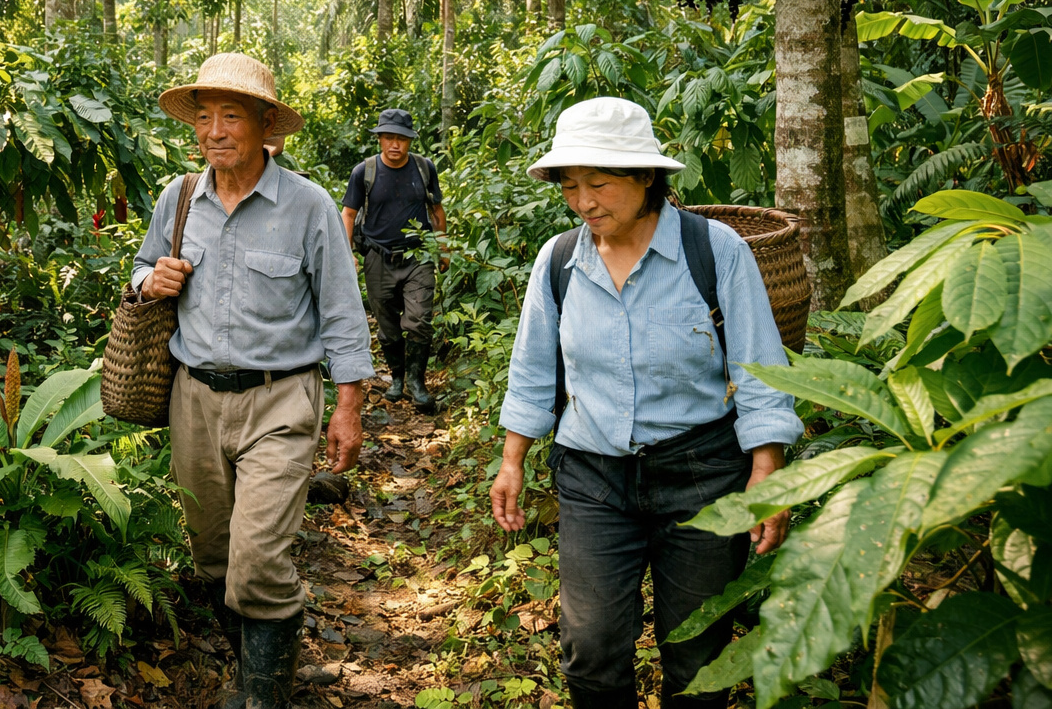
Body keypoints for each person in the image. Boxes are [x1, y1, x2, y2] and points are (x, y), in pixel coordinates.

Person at [488, 97, 804, 709]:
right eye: (571, 186)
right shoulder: (559, 261)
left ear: (646, 178)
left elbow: (760, 368)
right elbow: (532, 369)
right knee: (593, 645)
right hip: (593, 478)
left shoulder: (716, 251)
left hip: (702, 476)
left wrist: (767, 469)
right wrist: (512, 459)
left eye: (599, 184)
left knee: (697, 651)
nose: (584, 202)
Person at [133, 53, 373, 709]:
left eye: (230, 116)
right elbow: (140, 265)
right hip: (194, 400)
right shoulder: (178, 198)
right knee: (213, 557)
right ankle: (261, 667)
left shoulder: (310, 207)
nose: (213, 131)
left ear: (266, 125)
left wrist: (348, 409)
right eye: (204, 117)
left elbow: (344, 313)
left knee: (259, 561)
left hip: (280, 401)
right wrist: (148, 280)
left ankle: (261, 698)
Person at [340, 109, 446, 413]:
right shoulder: (365, 171)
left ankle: (416, 382)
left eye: (401, 138)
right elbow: (348, 214)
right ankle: (397, 378)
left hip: (418, 257)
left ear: (410, 141)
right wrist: (348, 255)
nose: (394, 144)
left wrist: (444, 250)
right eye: (389, 137)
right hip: (378, 256)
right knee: (387, 325)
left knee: (419, 321)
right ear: (380, 139)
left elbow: (437, 211)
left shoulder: (424, 169)